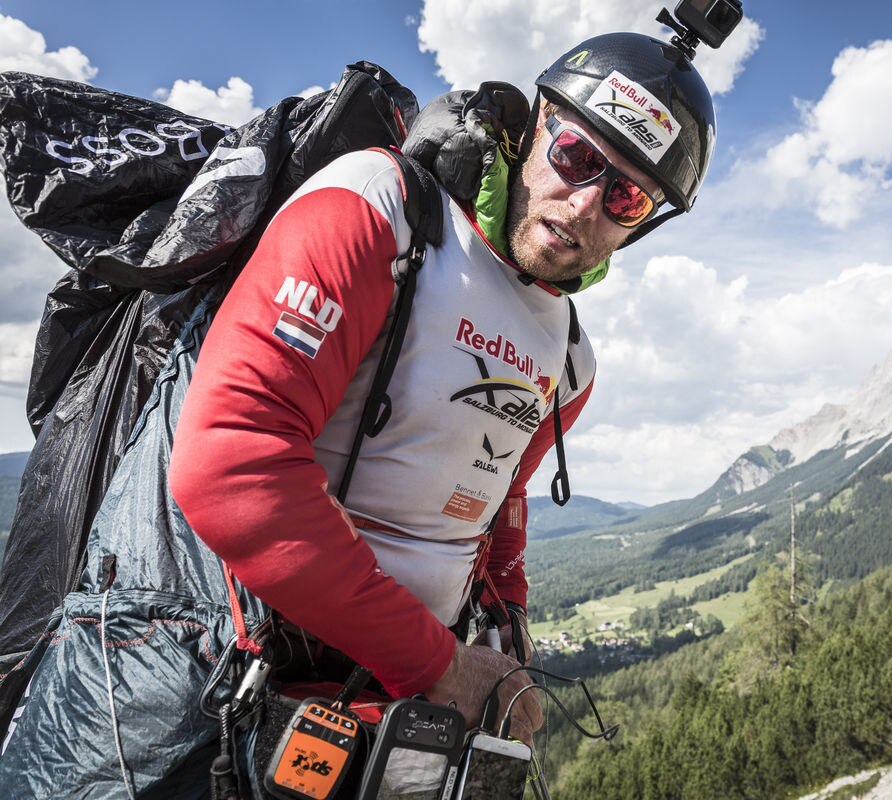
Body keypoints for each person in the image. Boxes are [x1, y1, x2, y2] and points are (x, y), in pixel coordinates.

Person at [168, 30, 717, 752]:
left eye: (625, 197)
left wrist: (505, 619)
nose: (584, 206)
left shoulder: (571, 362)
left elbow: (497, 496)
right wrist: (440, 665)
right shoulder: (381, 208)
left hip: (403, 708)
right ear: (531, 127)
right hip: (242, 679)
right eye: (577, 157)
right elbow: (231, 463)